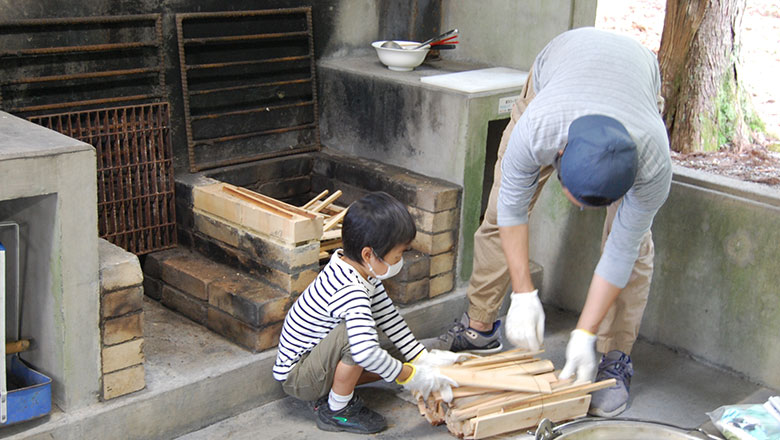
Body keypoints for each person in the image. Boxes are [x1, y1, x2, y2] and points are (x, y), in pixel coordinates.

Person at [427, 27, 672, 417]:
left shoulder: (654, 162)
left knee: (634, 242)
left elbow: (622, 251)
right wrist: (524, 295)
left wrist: (584, 333)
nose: (582, 211)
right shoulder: (539, 128)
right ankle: (480, 327)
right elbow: (511, 210)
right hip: (559, 71)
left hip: (635, 80)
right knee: (498, 212)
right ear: (557, 157)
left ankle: (615, 357)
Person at [273, 191, 462, 434]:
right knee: (358, 340)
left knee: (391, 354)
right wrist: (411, 377)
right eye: (398, 254)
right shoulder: (351, 290)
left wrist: (419, 359)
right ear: (368, 254)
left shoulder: (361, 271)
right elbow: (365, 352)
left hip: (316, 363)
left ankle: (336, 390)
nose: (401, 260)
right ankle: (337, 410)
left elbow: (389, 317)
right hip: (300, 378)